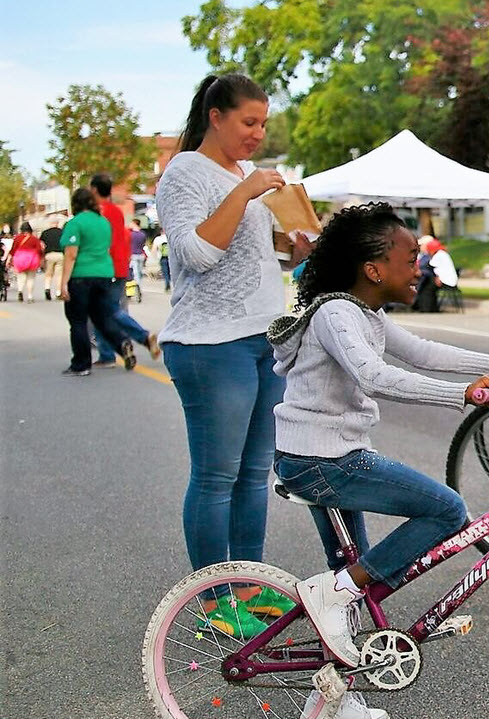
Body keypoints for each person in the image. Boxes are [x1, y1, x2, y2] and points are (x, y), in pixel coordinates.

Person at [270, 202, 489, 719]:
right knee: (445, 509)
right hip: (321, 459)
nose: (419, 269)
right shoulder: (336, 314)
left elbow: (422, 352)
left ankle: (333, 697)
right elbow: (376, 377)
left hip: (330, 456)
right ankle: (331, 592)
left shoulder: (366, 314)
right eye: (410, 259)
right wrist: (464, 394)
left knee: (356, 576)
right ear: (374, 269)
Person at [156, 73, 311, 630]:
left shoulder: (242, 174)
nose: (258, 133)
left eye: (264, 122)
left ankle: (248, 588)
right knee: (216, 477)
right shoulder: (184, 173)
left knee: (252, 475)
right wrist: (244, 193)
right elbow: (195, 254)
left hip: (261, 338)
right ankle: (213, 604)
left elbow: (252, 256)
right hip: (207, 344)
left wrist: (293, 247)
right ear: (215, 116)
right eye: (249, 122)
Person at [57, 188, 134, 376]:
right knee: (101, 316)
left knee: (78, 320)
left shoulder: (75, 223)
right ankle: (121, 342)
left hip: (81, 276)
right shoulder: (103, 222)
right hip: (104, 274)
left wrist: (64, 282)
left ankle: (81, 363)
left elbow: (71, 254)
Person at [89, 173, 159, 367]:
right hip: (120, 264)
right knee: (104, 310)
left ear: (94, 190)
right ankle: (107, 353)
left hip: (105, 266)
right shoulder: (116, 211)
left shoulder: (97, 212)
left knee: (109, 310)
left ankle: (141, 336)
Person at [7, 222, 45, 302]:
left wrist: (9, 259)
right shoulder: (34, 239)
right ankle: (30, 296)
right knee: (30, 278)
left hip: (20, 258)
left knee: (21, 277)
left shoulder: (17, 238)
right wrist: (41, 259)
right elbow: (39, 250)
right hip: (32, 259)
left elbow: (13, 250)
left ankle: (20, 291)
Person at [40, 217, 66, 301]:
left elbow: (41, 244)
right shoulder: (62, 232)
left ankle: (47, 288)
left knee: (48, 274)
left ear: (50, 224)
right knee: (59, 275)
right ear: (57, 223)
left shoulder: (45, 233)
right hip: (60, 255)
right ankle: (58, 292)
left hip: (49, 254)